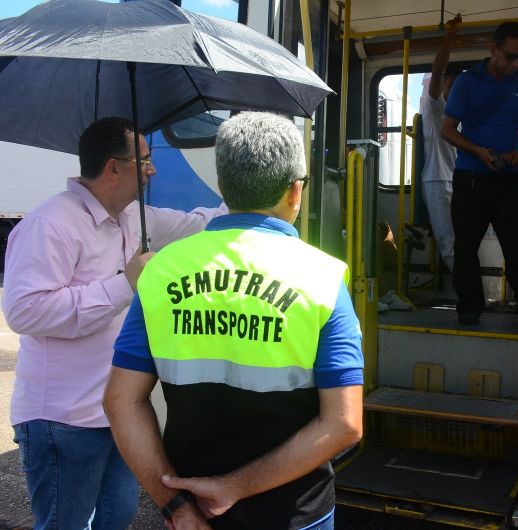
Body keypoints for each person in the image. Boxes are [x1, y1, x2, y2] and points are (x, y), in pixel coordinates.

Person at [103, 112, 364, 530]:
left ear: (224, 186)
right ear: (294, 191)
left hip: (194, 513)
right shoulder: (323, 277)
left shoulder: (162, 272)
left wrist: (177, 508)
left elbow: (121, 402)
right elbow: (344, 424)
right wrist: (235, 486)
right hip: (296, 515)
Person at [2, 116, 225, 530]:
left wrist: (242, 196)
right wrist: (124, 284)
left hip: (118, 416)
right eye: (144, 160)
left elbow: (198, 224)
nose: (152, 169)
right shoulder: (50, 224)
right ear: (113, 168)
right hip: (62, 420)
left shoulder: (133, 218)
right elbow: (23, 311)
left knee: (117, 518)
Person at [442, 21, 518, 325]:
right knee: (465, 247)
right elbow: (448, 130)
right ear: (493, 50)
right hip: (471, 177)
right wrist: (478, 151)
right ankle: (470, 308)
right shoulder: (467, 82)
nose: (516, 64)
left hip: (509, 177)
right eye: (510, 57)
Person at [420, 15, 461, 273]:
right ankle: (466, 297)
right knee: (450, 243)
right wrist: (451, 35)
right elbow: (437, 70)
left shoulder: (462, 113)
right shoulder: (436, 108)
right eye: (451, 84)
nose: (455, 90)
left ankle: (470, 294)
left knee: (464, 240)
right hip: (437, 180)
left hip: (457, 180)